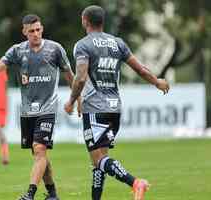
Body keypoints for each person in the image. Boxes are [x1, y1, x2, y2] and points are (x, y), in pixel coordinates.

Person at [64, 5, 170, 200]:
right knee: (99, 160)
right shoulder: (118, 43)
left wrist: (71, 100)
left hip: (95, 109)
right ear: (102, 22)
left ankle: (135, 182)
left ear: (85, 21)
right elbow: (141, 70)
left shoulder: (83, 45)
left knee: (99, 159)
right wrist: (157, 82)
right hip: (115, 109)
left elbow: (79, 78)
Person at [0, 14, 76, 200]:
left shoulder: (55, 49)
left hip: (48, 108)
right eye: (31, 31)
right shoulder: (17, 51)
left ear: (42, 29)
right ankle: (53, 193)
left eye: (38, 30)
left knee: (39, 149)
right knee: (39, 154)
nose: (36, 34)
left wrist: (76, 99)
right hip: (27, 110)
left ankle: (29, 194)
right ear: (24, 32)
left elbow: (70, 76)